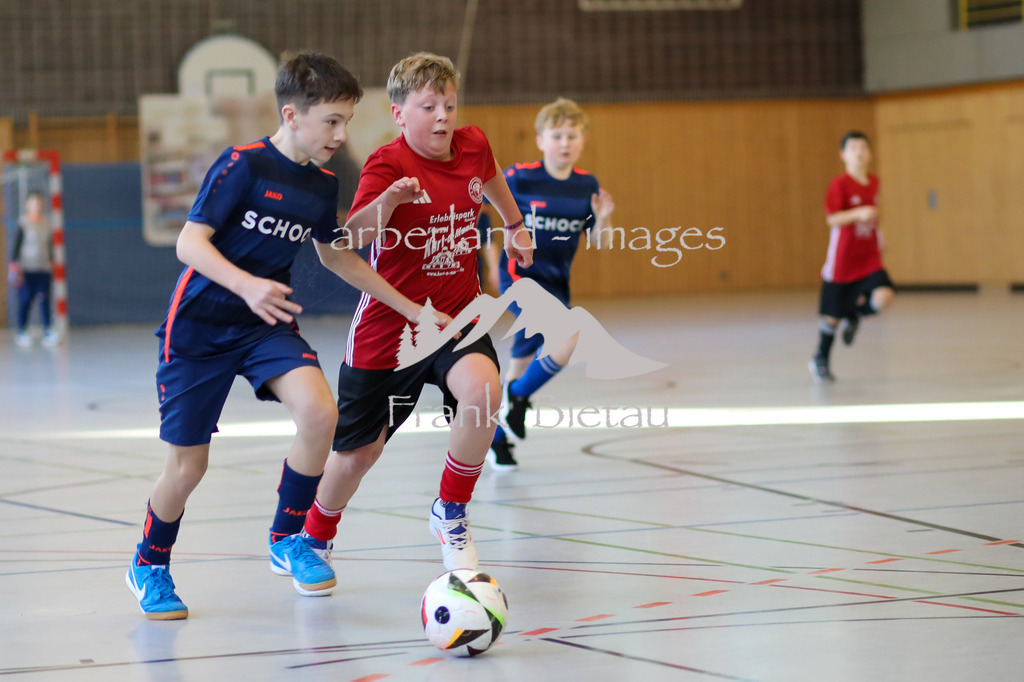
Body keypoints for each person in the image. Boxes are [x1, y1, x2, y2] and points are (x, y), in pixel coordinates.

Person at [126, 53, 363, 620]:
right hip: (199, 328)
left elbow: (339, 255)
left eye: (346, 121)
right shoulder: (243, 164)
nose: (341, 133)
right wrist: (248, 285)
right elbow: (190, 243)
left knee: (320, 414)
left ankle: (289, 539)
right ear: (292, 115)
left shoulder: (322, 183)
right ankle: (149, 563)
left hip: (263, 325)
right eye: (332, 120)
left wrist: (402, 301)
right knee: (188, 468)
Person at [303, 52, 533, 572]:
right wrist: (388, 200)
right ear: (399, 113)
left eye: (449, 105)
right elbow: (352, 238)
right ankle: (315, 537)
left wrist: (514, 224)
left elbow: (491, 177)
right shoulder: (388, 165)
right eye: (429, 106)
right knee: (358, 454)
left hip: (456, 319)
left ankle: (450, 510)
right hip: (393, 329)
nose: (443, 117)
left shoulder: (473, 144)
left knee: (484, 390)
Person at [484, 98, 614, 470]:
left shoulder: (586, 185)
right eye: (556, 135)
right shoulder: (520, 177)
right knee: (573, 333)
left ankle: (499, 439)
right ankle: (519, 399)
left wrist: (602, 219)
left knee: (519, 365)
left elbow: (599, 242)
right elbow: (482, 214)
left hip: (556, 285)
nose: (564, 142)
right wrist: (492, 261)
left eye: (572, 135)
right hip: (519, 278)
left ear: (582, 141)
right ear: (541, 140)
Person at [810, 130, 894, 381]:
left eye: (863, 148)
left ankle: (854, 316)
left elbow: (873, 216)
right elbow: (832, 218)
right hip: (843, 261)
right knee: (831, 317)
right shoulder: (840, 184)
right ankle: (821, 358)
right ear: (843, 154)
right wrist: (857, 214)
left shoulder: (875, 182)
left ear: (869, 153)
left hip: (868, 257)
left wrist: (881, 234)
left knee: (884, 297)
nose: (859, 152)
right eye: (853, 148)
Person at [8, 192, 59, 348]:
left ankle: (48, 330)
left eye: (39, 203)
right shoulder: (23, 223)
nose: (37, 206)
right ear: (28, 205)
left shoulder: (46, 223)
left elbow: (49, 244)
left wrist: (51, 260)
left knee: (44, 299)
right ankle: (22, 331)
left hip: (42, 268)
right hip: (27, 269)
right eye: (34, 203)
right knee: (26, 300)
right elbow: (17, 245)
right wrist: (14, 265)